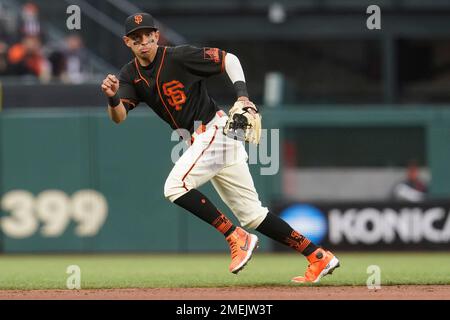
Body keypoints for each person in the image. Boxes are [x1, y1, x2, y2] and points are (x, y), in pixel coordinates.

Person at [101, 13, 339, 283]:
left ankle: (234, 236)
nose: (143, 41)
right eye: (136, 38)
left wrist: (243, 95)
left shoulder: (179, 56)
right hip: (210, 139)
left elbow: (229, 59)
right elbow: (119, 117)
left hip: (213, 130)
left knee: (175, 187)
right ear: (127, 42)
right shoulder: (129, 75)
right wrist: (111, 98)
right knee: (252, 215)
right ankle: (317, 256)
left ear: (156, 35)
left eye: (148, 35)